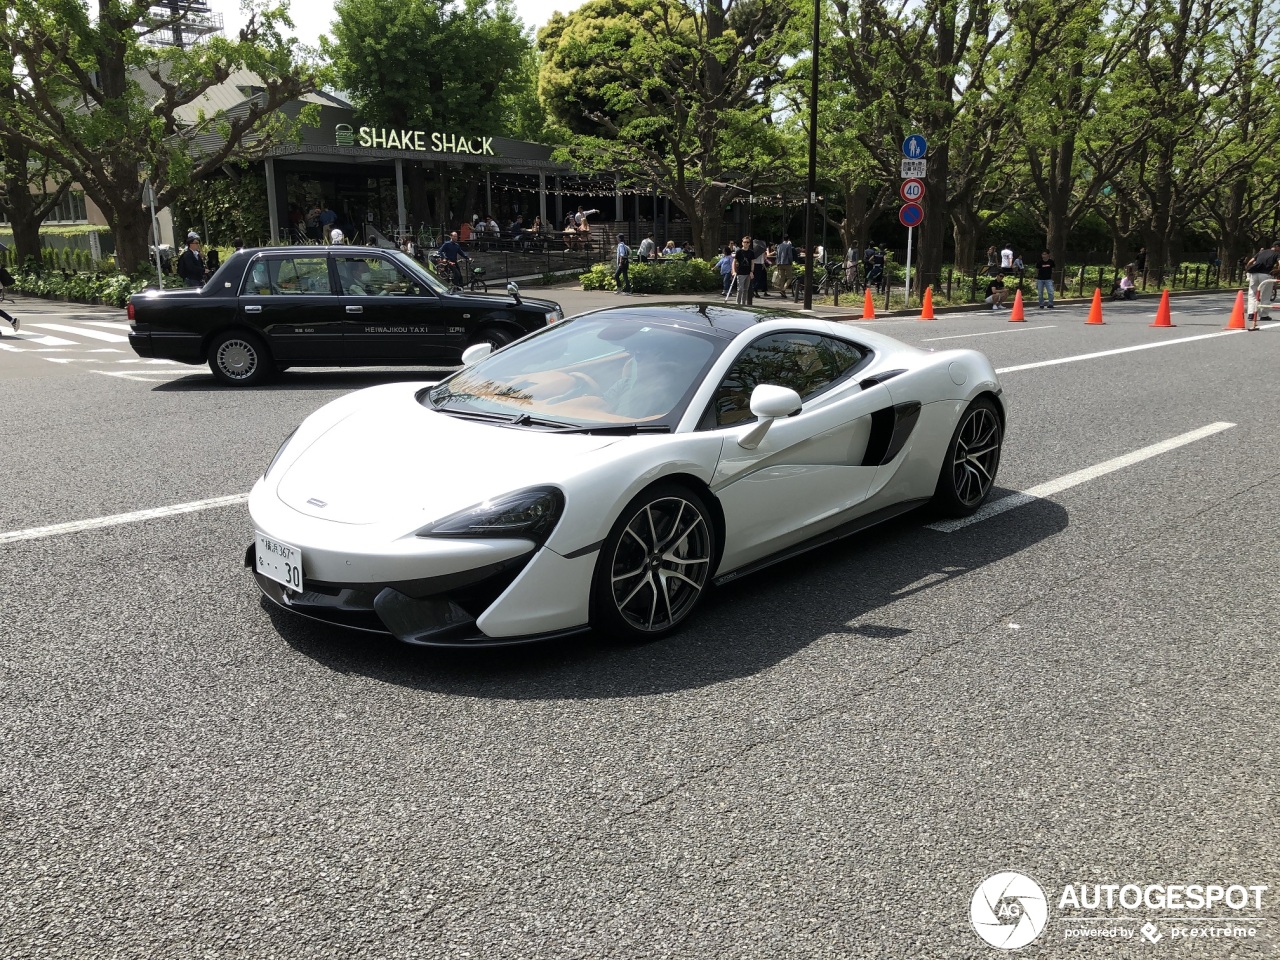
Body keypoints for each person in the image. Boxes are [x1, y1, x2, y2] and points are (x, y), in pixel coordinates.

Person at [1244, 240, 1280, 330]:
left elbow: (1250, 261)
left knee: (1252, 294)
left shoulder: (1262, 252)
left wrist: (1247, 270)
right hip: (1266, 275)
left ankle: (1251, 314)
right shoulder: (1277, 254)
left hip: (1254, 274)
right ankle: (1264, 315)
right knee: (1265, 295)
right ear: (1277, 247)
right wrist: (1278, 270)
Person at [732, 236, 754, 305]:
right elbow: (734, 262)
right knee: (740, 289)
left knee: (745, 290)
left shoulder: (751, 252)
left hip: (747, 273)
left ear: (749, 243)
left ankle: (743, 304)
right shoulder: (739, 252)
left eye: (747, 242)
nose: (746, 243)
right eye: (744, 242)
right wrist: (734, 271)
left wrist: (752, 272)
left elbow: (752, 262)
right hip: (740, 272)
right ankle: (738, 303)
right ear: (742, 243)